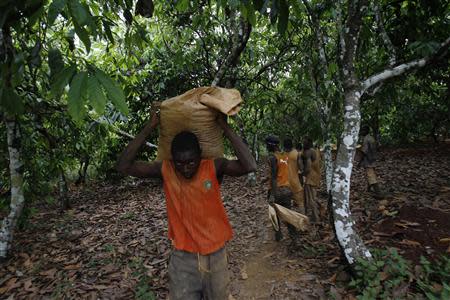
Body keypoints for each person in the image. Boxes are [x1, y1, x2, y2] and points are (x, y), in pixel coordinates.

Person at [116, 107, 256, 300]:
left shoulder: (214, 167)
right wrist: (150, 126)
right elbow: (124, 166)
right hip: (183, 258)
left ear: (200, 154)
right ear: (172, 159)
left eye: (191, 161)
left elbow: (250, 165)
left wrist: (224, 126)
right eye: (180, 163)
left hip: (216, 256)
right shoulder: (166, 170)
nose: (185, 168)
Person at [265, 135, 297, 244]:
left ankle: (278, 236)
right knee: (288, 214)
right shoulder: (284, 156)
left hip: (277, 190)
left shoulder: (273, 158)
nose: (266, 146)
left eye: (267, 144)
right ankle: (294, 236)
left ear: (271, 145)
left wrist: (273, 195)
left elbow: (274, 177)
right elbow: (281, 172)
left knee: (273, 214)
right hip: (286, 189)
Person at [299, 137, 321, 223]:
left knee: (311, 199)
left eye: (304, 143)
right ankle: (316, 214)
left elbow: (308, 167)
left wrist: (302, 173)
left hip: (310, 178)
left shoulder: (308, 152)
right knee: (313, 197)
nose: (303, 144)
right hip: (315, 176)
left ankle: (315, 218)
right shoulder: (315, 151)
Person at [359, 125, 383, 199]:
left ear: (366, 131)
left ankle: (379, 193)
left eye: (363, 130)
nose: (361, 132)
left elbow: (364, 152)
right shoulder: (371, 138)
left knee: (371, 176)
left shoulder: (366, 139)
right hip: (373, 159)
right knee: (370, 174)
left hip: (368, 160)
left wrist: (360, 162)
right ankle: (368, 189)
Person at [283, 138, 305, 214]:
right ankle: (303, 220)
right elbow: (301, 169)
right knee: (300, 203)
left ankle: (290, 220)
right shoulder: (297, 154)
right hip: (295, 182)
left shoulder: (283, 155)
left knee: (287, 203)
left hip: (285, 183)